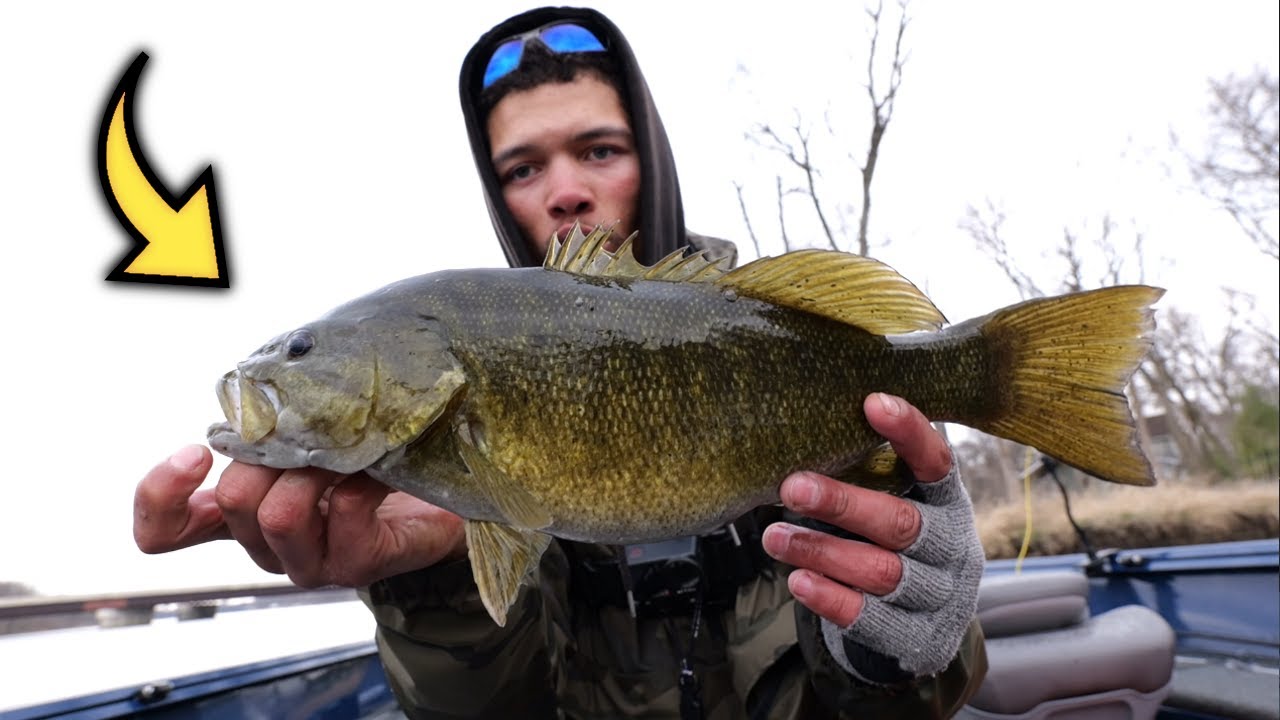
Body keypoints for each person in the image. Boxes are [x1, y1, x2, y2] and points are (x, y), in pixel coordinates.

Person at [133, 7, 987, 718]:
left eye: (601, 150)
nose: (567, 189)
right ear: (498, 196)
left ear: (652, 162)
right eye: (523, 166)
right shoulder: (433, 468)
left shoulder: (783, 334)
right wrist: (433, 587)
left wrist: (896, 642)